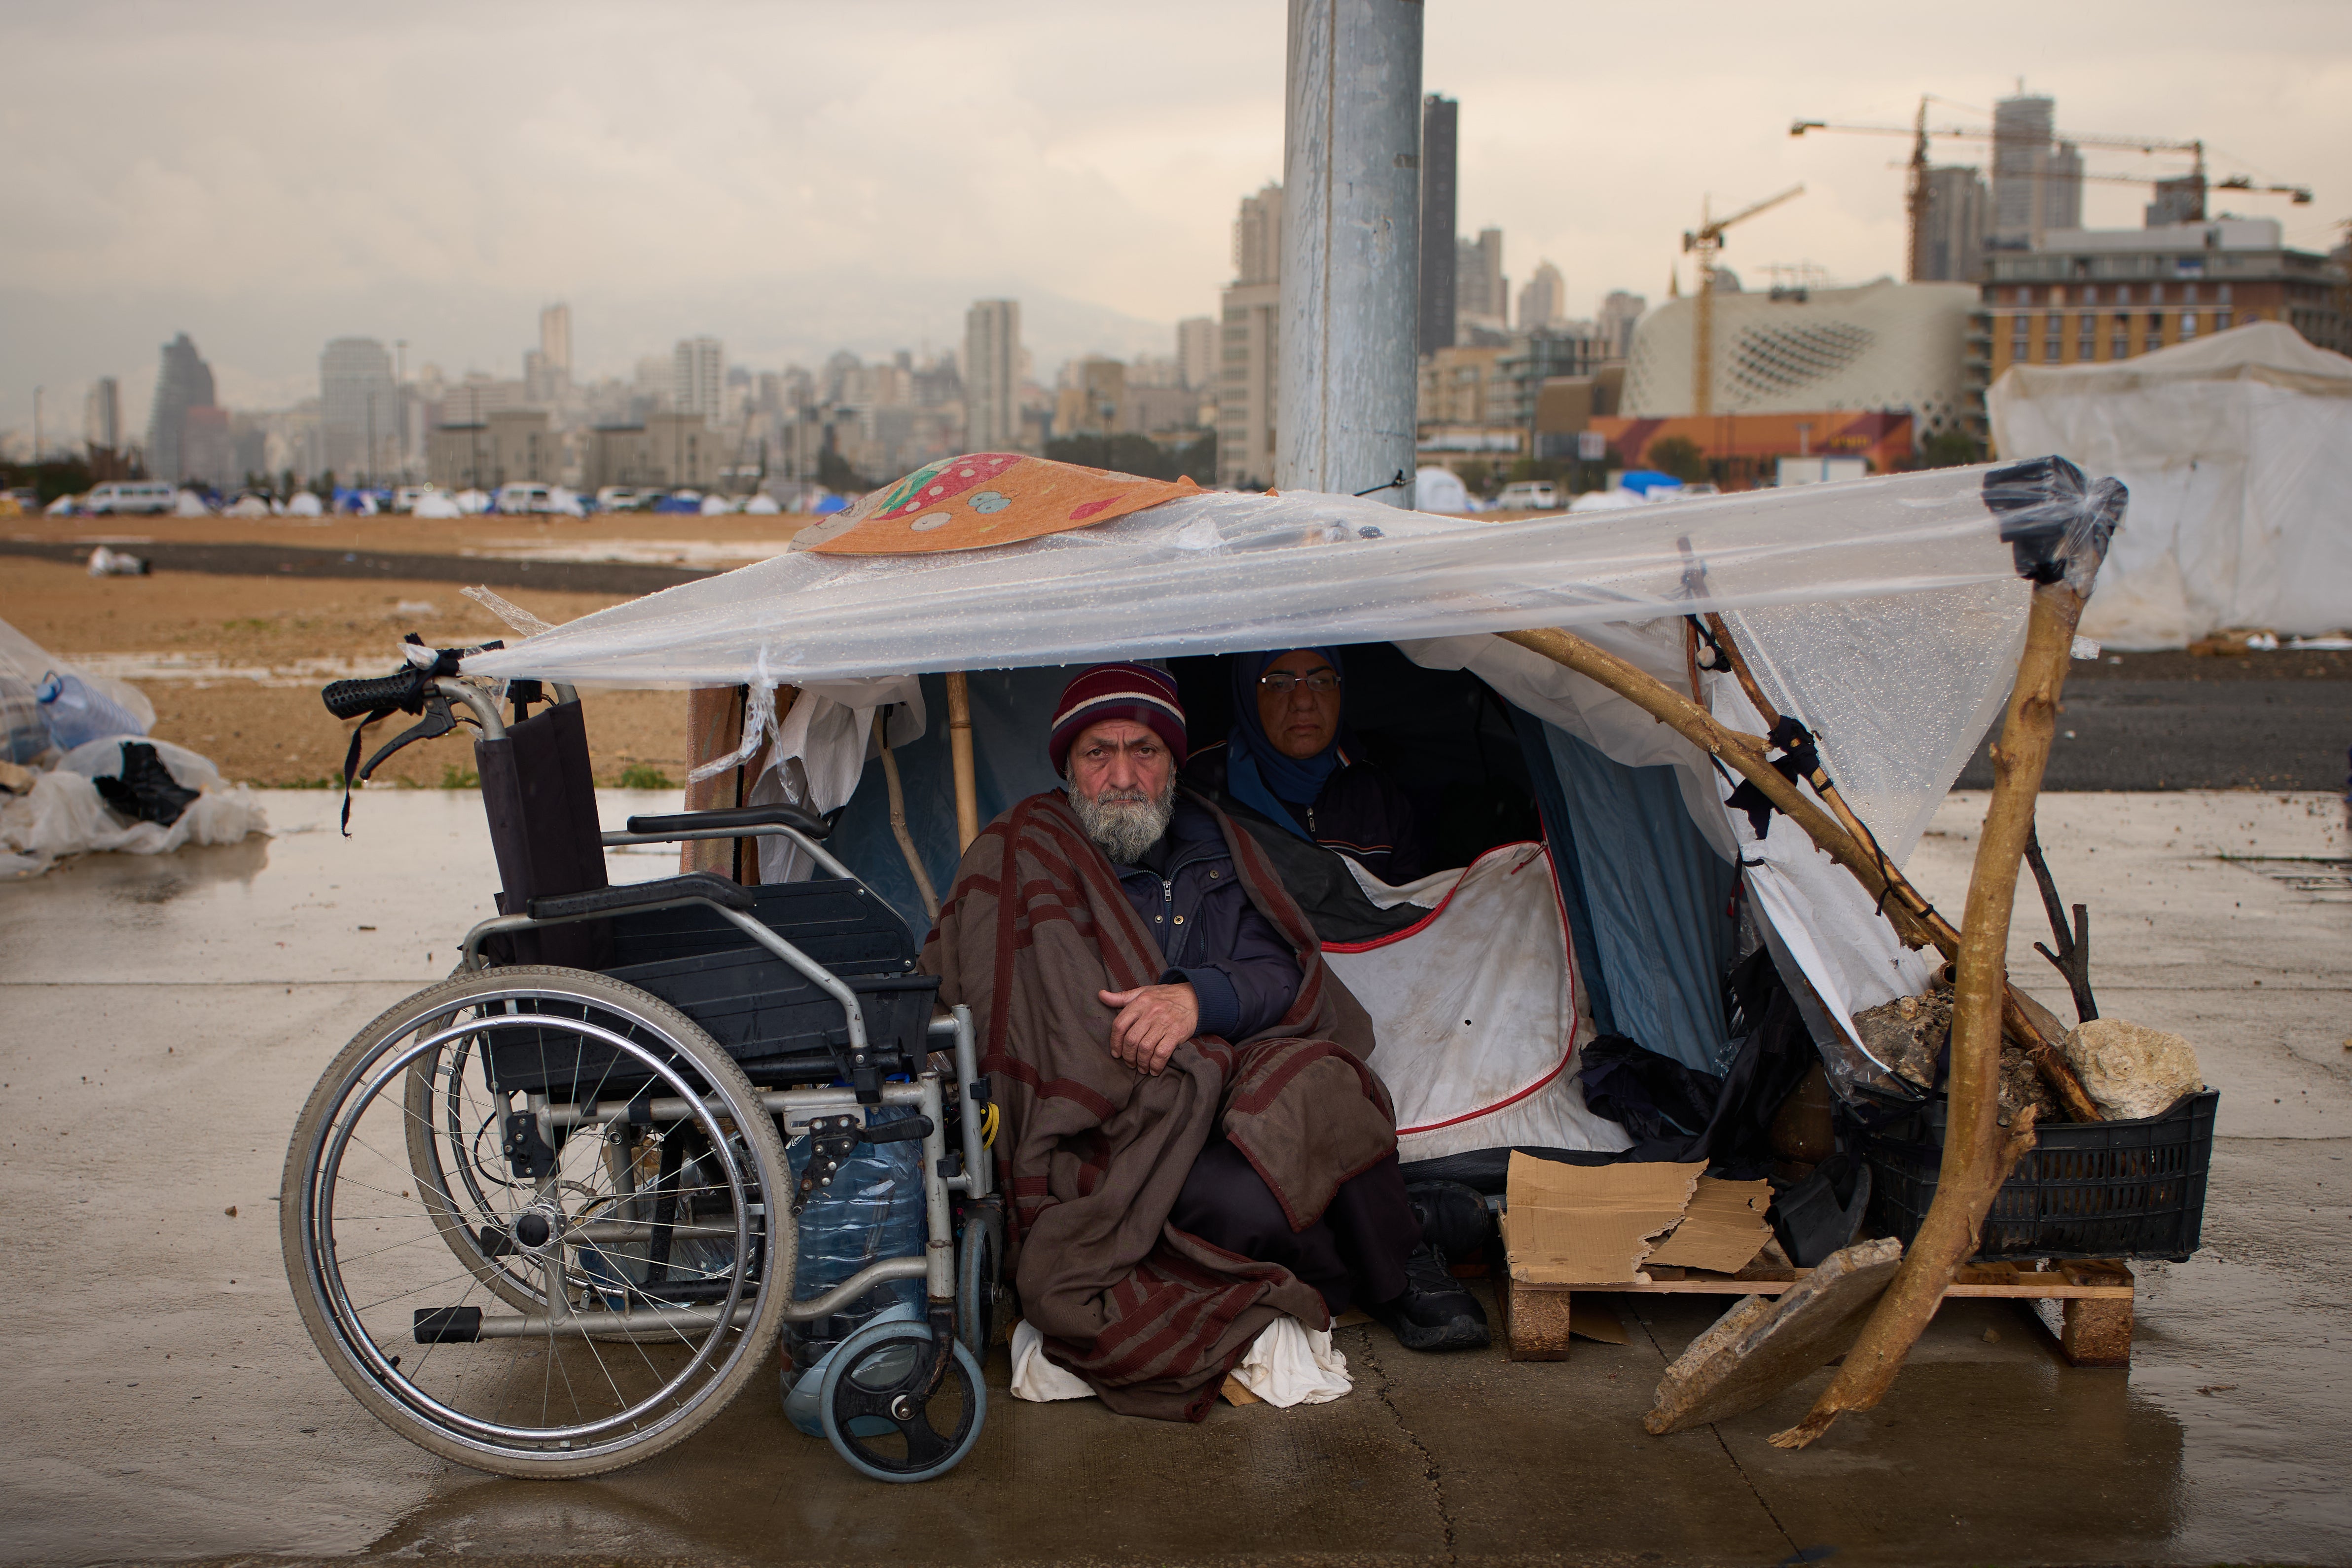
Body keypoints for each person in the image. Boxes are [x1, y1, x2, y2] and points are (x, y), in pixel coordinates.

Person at [921, 662, 1486, 1422]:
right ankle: (1398, 1228)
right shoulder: (1022, 848)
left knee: (1324, 1083)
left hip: (1225, 1071)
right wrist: (1128, 1045)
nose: (1123, 775)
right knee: (1228, 1199)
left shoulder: (1215, 841)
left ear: (1173, 762)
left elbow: (1281, 972)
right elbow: (1001, 1006)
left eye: (1144, 751)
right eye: (1099, 753)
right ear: (1067, 764)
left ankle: (1403, 1272)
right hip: (1110, 1118)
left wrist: (1197, 998)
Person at [1183, 647, 1432, 884]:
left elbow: (1409, 911)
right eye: (1279, 683)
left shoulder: (1377, 795)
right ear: (1250, 694)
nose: (1303, 702)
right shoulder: (1201, 787)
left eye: (1321, 681)